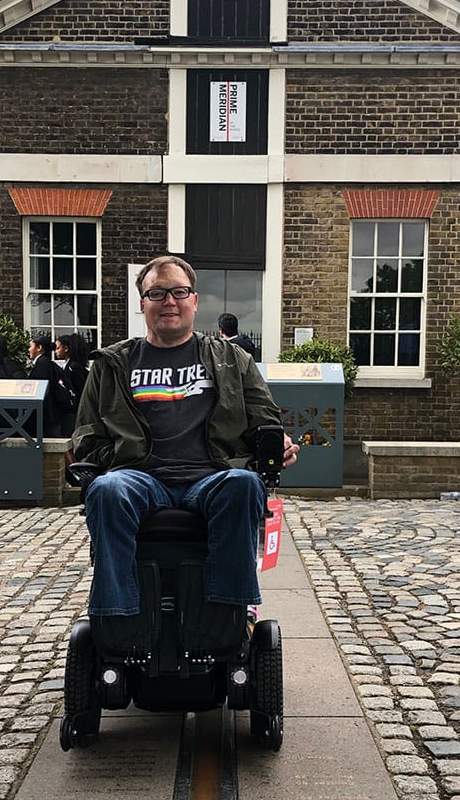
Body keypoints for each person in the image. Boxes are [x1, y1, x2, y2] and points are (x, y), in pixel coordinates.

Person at [73, 255, 299, 619]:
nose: (169, 302)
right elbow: (86, 437)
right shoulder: (112, 365)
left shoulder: (232, 359)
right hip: (140, 479)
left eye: (179, 291)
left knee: (243, 484)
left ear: (194, 300)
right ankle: (116, 619)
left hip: (213, 477)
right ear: (142, 302)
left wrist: (277, 443)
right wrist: (112, 464)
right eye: (158, 293)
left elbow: (265, 420)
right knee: (106, 490)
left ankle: (227, 616)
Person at [28, 333, 71, 436]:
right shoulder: (47, 363)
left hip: (46, 415)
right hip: (50, 413)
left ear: (39, 348)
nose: (29, 349)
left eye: (30, 346)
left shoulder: (42, 364)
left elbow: (41, 389)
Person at [55, 332, 90, 436]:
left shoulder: (74, 367)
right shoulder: (68, 365)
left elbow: (79, 389)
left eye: (58, 348)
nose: (56, 351)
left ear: (66, 349)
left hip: (74, 411)